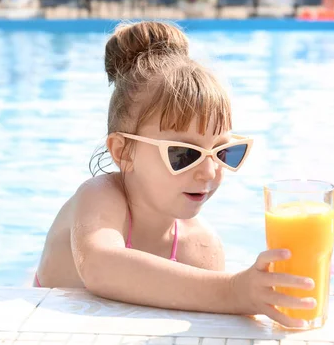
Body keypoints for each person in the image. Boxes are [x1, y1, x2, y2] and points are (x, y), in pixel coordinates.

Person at [33, 21, 317, 329]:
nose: (209, 171)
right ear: (123, 152)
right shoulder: (100, 196)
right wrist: (233, 291)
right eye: (184, 154)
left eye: (223, 153)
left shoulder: (200, 248)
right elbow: (100, 266)